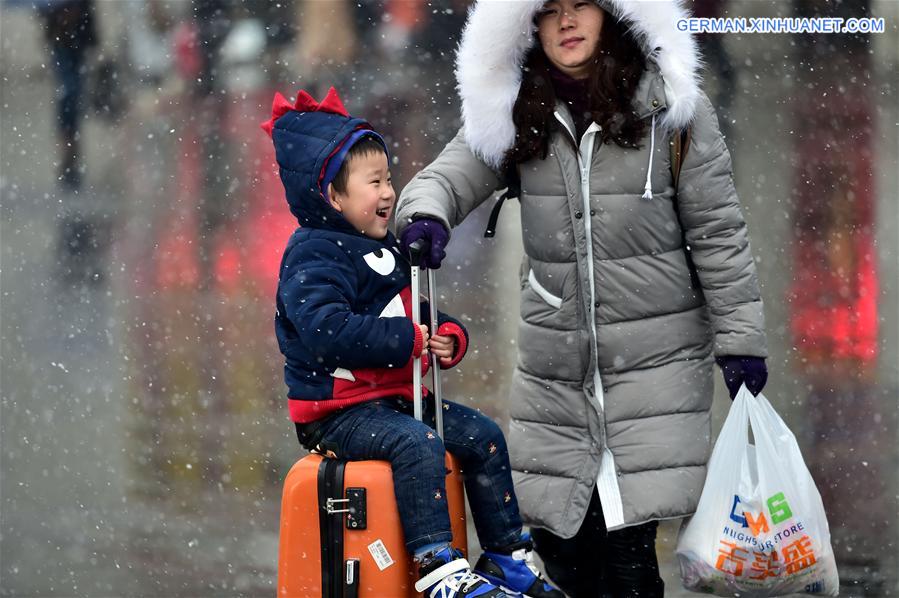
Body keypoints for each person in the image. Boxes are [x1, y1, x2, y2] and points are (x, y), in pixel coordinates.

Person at [395, 0, 769, 595]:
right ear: (527, 26)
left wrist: (740, 340)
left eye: (581, 7)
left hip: (654, 365)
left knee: (628, 555)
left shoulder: (668, 110)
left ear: (614, 15)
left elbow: (719, 233)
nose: (566, 23)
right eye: (549, 12)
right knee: (562, 548)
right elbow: (444, 177)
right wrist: (427, 217)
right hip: (555, 372)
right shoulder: (517, 112)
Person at [264, 87, 562, 598]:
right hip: (338, 412)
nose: (387, 192)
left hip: (392, 400)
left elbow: (415, 313)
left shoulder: (384, 247)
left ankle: (506, 554)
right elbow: (326, 332)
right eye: (373, 182)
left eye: (388, 178)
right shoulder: (313, 256)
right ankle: (437, 566)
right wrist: (407, 340)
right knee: (418, 444)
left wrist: (446, 335)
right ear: (331, 197)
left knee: (482, 436)